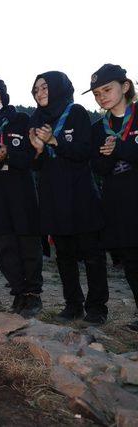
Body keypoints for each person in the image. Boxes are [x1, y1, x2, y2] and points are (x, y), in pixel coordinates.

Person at [28, 71, 108, 324]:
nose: (40, 93)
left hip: (80, 192)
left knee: (92, 254)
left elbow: (84, 152)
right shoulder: (36, 119)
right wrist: (39, 151)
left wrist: (54, 141)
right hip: (53, 194)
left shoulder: (76, 113)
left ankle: (97, 308)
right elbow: (36, 166)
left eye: (44, 87)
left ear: (58, 88)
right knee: (64, 254)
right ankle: (73, 305)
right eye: (36, 89)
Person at [0, 79, 44, 317]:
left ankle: (33, 294)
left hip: (20, 187)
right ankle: (19, 292)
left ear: (3, 95)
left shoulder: (21, 120)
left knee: (27, 240)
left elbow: (32, 157)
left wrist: (8, 155)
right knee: (4, 245)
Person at [87, 64, 138, 331]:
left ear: (125, 86)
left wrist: (121, 148)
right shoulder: (98, 128)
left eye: (107, 89)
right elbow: (97, 168)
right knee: (130, 259)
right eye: (97, 93)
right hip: (117, 202)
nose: (102, 96)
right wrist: (108, 156)